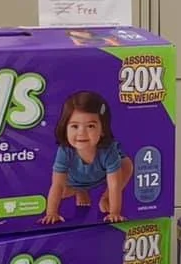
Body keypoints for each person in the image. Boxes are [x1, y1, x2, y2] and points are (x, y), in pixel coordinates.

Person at [40, 91, 134, 225]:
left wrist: (115, 212)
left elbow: (114, 184)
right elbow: (58, 184)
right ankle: (81, 191)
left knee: (126, 165)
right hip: (73, 183)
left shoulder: (108, 150)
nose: (81, 133)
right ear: (65, 127)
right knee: (58, 192)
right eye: (74, 126)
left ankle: (105, 198)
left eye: (90, 126)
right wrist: (51, 213)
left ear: (102, 129)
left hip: (102, 177)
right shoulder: (65, 151)